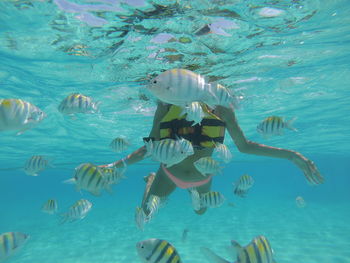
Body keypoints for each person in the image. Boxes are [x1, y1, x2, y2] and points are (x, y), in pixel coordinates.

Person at [100, 101, 323, 218]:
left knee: (201, 210)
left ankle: (187, 191)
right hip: (167, 173)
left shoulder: (222, 110)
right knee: (147, 211)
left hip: (201, 179)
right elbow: (148, 149)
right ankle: (150, 179)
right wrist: (113, 167)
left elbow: (245, 146)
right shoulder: (166, 106)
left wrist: (292, 155)